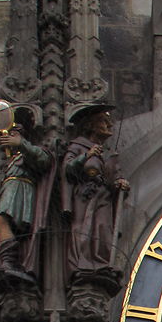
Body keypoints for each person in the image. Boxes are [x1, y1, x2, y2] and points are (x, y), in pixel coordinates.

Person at [0, 111, 52, 278]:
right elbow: (3, 190)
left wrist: (21, 143)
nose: (8, 138)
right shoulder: (10, 164)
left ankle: (10, 261)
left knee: (1, 219)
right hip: (12, 191)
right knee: (1, 221)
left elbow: (44, 161)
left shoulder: (28, 153)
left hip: (22, 192)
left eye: (13, 134)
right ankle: (8, 261)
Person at [62, 105, 130, 274]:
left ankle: (99, 263)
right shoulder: (78, 146)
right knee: (82, 227)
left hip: (103, 196)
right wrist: (87, 155)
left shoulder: (109, 154)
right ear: (91, 125)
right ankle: (81, 263)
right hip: (84, 195)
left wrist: (120, 183)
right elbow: (67, 168)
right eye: (104, 121)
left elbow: (114, 176)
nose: (110, 125)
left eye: (109, 121)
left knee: (103, 228)